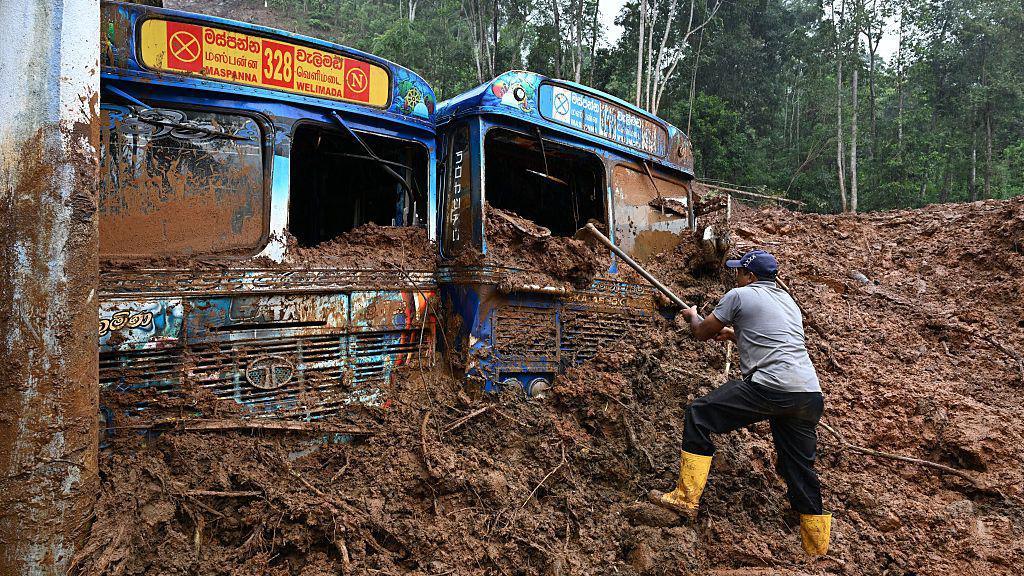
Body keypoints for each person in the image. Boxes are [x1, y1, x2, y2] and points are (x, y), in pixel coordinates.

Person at [649, 249, 831, 556]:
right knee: (798, 467)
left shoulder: (739, 295)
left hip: (771, 387)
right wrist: (736, 336)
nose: (736, 276)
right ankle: (817, 550)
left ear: (750, 276)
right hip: (808, 394)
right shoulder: (789, 302)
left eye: (739, 272)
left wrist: (693, 316)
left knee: (699, 414)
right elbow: (776, 339)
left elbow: (702, 333)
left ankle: (685, 499)